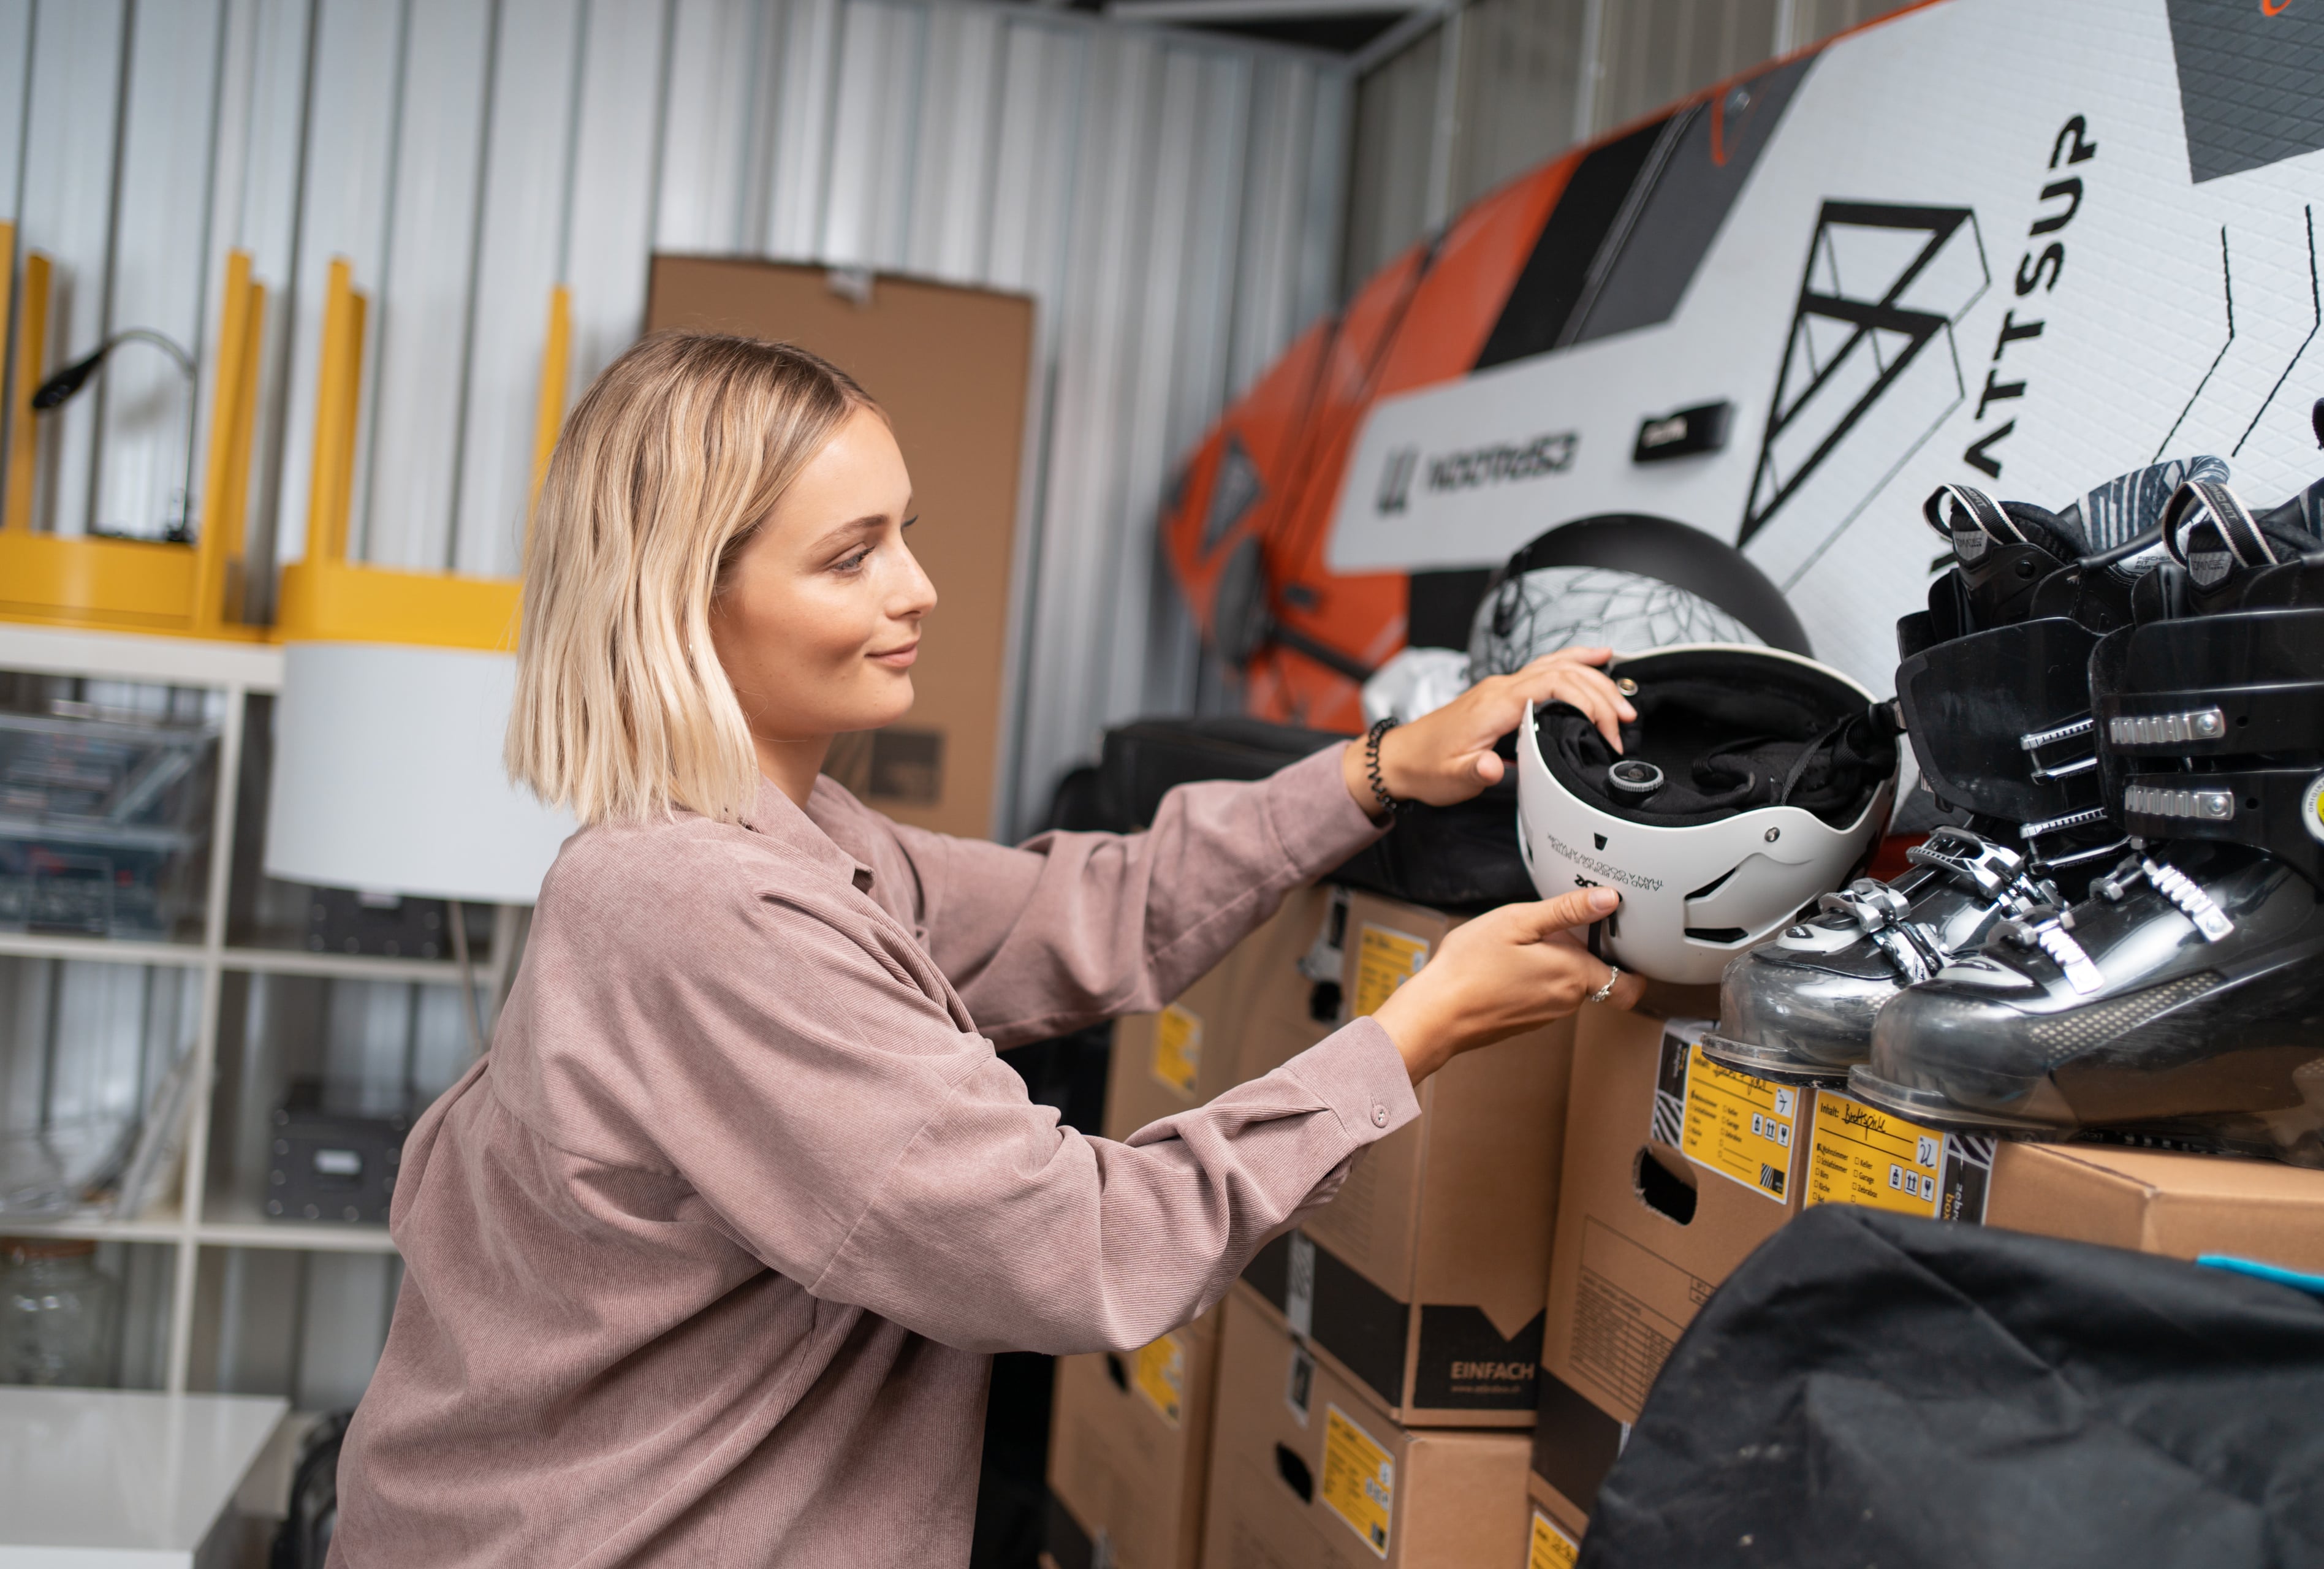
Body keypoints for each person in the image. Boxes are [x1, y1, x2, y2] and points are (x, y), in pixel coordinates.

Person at [326, 333, 1646, 1568]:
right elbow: (1080, 1246)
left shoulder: (788, 837)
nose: (919, 587)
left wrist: (1372, 770)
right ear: (691, 601)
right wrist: (1413, 1032)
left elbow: (1090, 909)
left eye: (906, 533)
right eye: (851, 557)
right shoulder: (700, 911)